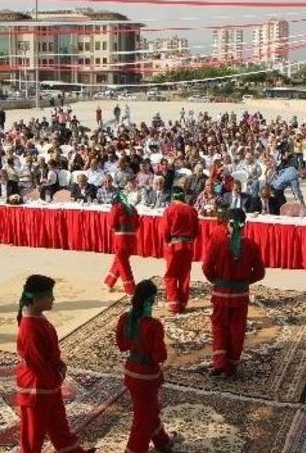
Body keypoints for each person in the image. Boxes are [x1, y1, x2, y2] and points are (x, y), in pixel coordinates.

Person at [16, 275, 95, 453]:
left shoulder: (36, 316)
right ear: (37, 299)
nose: (53, 299)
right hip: (37, 388)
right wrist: (56, 377)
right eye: (50, 296)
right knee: (32, 437)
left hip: (48, 384)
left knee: (59, 426)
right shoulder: (29, 328)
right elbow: (37, 365)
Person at [114, 280, 177, 453]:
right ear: (152, 300)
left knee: (149, 410)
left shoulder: (125, 318)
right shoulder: (153, 324)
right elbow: (160, 356)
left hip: (130, 372)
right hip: (146, 376)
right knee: (143, 418)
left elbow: (122, 345)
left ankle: (162, 442)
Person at [201, 209, 265, 378]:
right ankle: (231, 366)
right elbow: (260, 273)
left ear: (227, 225)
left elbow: (206, 268)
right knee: (237, 329)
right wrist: (244, 282)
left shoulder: (217, 243)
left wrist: (218, 281)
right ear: (245, 224)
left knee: (219, 326)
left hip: (221, 294)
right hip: (240, 295)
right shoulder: (252, 246)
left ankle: (219, 361)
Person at [160, 186, 199, 314]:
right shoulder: (192, 210)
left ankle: (173, 303)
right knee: (184, 275)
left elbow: (165, 230)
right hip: (188, 246)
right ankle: (182, 303)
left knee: (171, 274)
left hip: (174, 245)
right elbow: (196, 231)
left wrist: (167, 242)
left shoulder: (170, 209)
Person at [105, 192, 141, 295]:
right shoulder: (132, 209)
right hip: (132, 238)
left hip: (121, 238)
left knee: (123, 264)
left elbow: (112, 223)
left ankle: (130, 288)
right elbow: (138, 225)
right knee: (120, 260)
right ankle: (109, 282)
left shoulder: (117, 207)